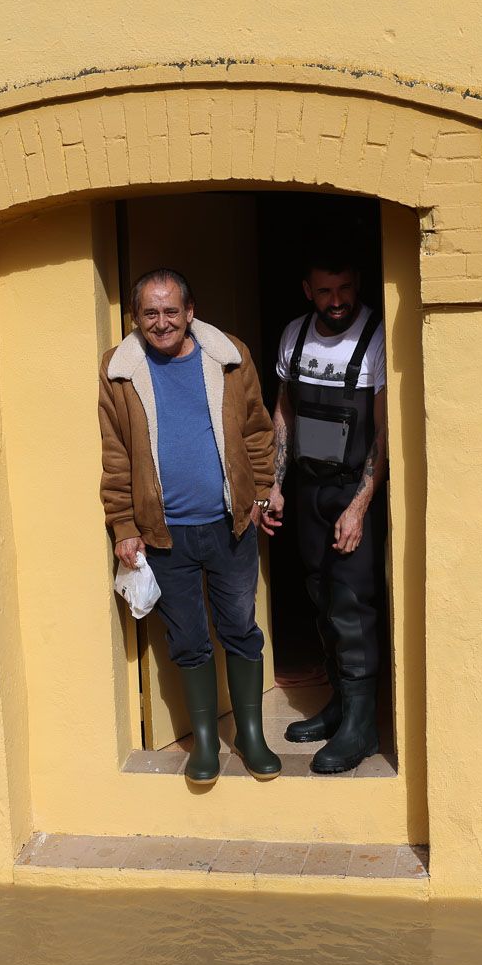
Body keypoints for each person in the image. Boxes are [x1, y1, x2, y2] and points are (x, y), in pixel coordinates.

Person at [98, 268, 283, 786]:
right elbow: (116, 453)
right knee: (187, 640)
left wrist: (261, 493)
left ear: (190, 312)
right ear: (136, 318)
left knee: (239, 628)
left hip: (231, 525)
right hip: (164, 535)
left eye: (171, 311)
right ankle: (205, 741)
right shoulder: (119, 370)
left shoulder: (229, 356)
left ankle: (250, 735)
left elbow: (257, 431)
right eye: (150, 313)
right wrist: (123, 524)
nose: (162, 323)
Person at [261, 255, 388, 774]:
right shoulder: (293, 335)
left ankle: (361, 725)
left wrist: (359, 506)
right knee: (320, 597)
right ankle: (339, 704)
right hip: (308, 487)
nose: (337, 301)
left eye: (345, 288)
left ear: (357, 283)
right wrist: (274, 482)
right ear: (307, 290)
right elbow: (284, 410)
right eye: (325, 291)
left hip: (352, 490)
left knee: (352, 606)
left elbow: (384, 431)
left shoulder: (376, 337)